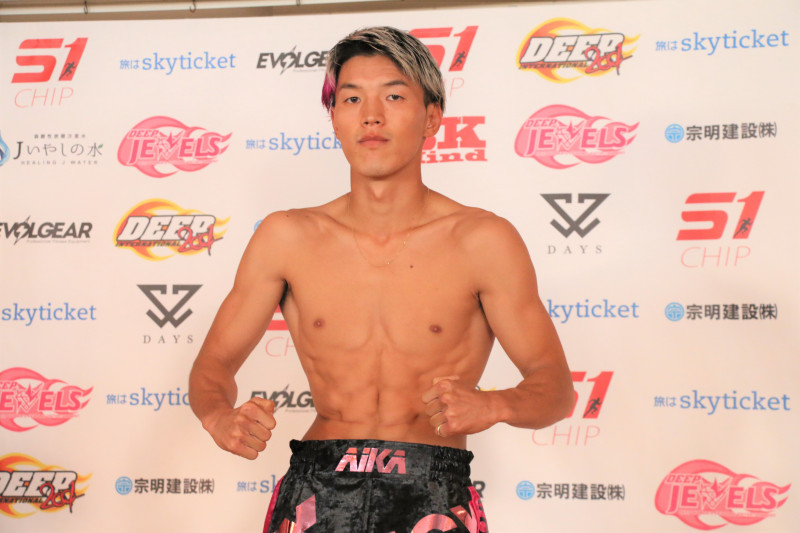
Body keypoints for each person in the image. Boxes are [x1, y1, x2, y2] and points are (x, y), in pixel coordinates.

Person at [189, 26, 574, 533]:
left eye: (393, 96)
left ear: (431, 116)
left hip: (432, 491)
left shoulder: (483, 240)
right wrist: (218, 416)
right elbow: (213, 364)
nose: (371, 115)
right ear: (334, 118)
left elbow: (555, 387)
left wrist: (495, 403)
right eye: (352, 98)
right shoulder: (287, 237)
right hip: (317, 487)